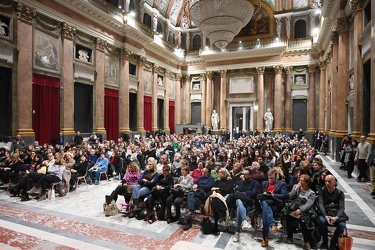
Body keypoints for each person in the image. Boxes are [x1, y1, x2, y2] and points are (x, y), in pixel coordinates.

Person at [285, 174, 317, 250]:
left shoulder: (311, 193)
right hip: (293, 208)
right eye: (300, 180)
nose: (300, 182)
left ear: (307, 183)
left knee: (303, 221)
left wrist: (300, 210)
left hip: (305, 210)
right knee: (287, 217)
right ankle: (290, 236)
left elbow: (309, 204)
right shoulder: (296, 187)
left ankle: (306, 241)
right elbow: (290, 197)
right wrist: (296, 189)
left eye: (302, 181)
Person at [318, 175, 348, 250]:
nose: (327, 183)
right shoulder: (322, 191)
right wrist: (325, 216)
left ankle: (333, 242)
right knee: (322, 221)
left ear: (334, 182)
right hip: (325, 213)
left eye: (329, 181)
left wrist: (336, 217)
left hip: (336, 213)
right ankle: (324, 241)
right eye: (326, 181)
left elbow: (342, 208)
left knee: (342, 225)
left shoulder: (340, 193)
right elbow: (321, 205)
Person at [260, 168, 288, 247]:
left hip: (275, 204)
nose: (270, 180)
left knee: (264, 213)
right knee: (265, 203)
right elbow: (259, 194)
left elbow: (284, 195)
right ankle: (272, 224)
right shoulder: (264, 183)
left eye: (272, 178)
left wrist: (273, 195)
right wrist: (264, 194)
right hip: (265, 202)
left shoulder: (281, 184)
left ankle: (265, 238)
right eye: (269, 178)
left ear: (276, 177)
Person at [232, 168, 259, 242]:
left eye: (245, 174)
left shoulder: (255, 183)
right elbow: (239, 192)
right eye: (243, 174)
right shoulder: (241, 182)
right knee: (238, 201)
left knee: (238, 206)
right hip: (242, 202)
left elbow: (253, 193)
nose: (243, 175)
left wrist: (244, 194)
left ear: (250, 175)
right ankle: (244, 221)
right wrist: (245, 193)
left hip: (250, 204)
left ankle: (237, 232)